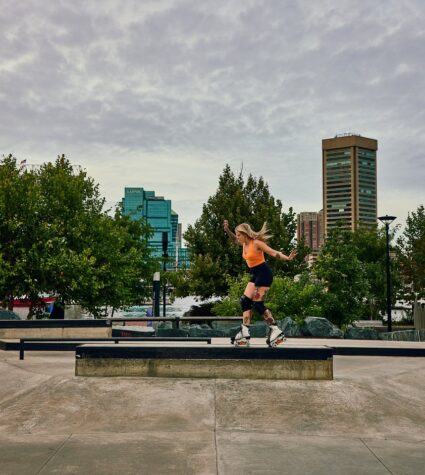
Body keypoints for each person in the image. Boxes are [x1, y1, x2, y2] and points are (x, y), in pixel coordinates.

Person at [223, 220, 297, 347]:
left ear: (245, 234)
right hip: (255, 274)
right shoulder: (243, 244)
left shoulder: (256, 243)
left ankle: (276, 330)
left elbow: (273, 252)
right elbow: (234, 240)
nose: (237, 237)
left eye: (239, 234)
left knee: (257, 305)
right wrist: (227, 230)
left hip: (264, 274)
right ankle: (245, 332)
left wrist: (287, 258)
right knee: (245, 301)